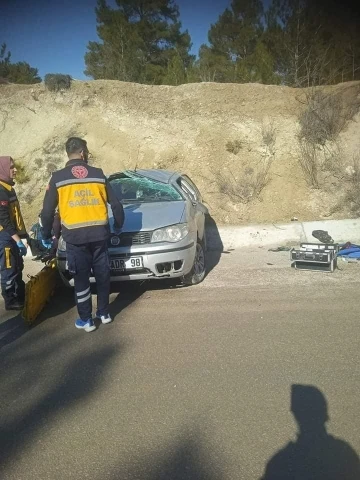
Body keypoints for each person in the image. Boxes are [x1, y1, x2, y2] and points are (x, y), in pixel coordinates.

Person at [41, 137, 124, 332]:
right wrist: (118, 225)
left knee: (81, 280)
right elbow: (117, 205)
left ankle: (86, 320)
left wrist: (46, 235)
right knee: (103, 275)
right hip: (99, 236)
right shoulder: (98, 174)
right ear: (82, 153)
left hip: (75, 239)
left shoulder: (58, 177)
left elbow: (47, 212)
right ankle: (104, 313)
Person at [0, 156, 28, 310]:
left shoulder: (9, 189)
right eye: (11, 167)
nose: (15, 170)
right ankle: (10, 300)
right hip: (4, 236)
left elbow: (16, 216)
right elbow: (4, 220)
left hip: (13, 235)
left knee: (18, 265)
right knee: (9, 267)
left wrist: (24, 237)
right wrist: (17, 240)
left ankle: (20, 295)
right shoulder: (0, 190)